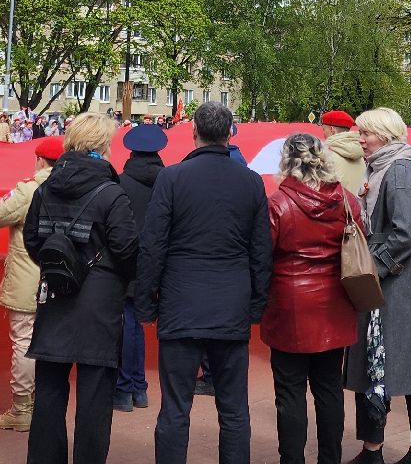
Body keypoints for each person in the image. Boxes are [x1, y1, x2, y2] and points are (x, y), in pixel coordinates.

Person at [134, 102, 270, 464]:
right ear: (229, 134)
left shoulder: (173, 178)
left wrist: (146, 304)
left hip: (180, 306)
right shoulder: (251, 181)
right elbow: (261, 250)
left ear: (194, 133)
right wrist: (257, 303)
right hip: (231, 306)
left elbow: (153, 246)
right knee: (234, 408)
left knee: (175, 408)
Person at [22, 112, 140, 464]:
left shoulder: (44, 188)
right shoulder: (111, 193)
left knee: (48, 394)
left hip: (56, 295)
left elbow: (33, 239)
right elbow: (127, 250)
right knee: (95, 398)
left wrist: (57, 266)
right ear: (103, 146)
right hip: (99, 304)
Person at [344, 108, 411, 464]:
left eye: (366, 133)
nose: (361, 139)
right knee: (404, 367)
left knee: (385, 363)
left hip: (395, 283)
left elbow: (405, 234)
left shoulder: (396, 170)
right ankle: (399, 450)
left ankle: (391, 451)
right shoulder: (391, 165)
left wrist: (370, 270)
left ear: (384, 134)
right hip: (400, 281)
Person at [262, 132, 363, 464]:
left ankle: (292, 459)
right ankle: (329, 459)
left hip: (290, 305)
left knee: (290, 393)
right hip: (335, 304)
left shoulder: (279, 203)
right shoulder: (347, 200)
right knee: (329, 389)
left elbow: (263, 255)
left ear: (287, 161)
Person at [0, 136, 61, 433]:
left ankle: (22, 408)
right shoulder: (72, 185)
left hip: (29, 278)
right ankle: (45, 404)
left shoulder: (28, 189)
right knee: (52, 342)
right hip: (63, 278)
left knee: (25, 341)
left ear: (40, 160)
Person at [115, 122, 166, 411]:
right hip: (158, 261)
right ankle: (140, 388)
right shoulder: (169, 180)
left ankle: (126, 389)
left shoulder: (120, 182)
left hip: (127, 261)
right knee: (142, 325)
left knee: (128, 323)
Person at [321, 110, 367, 195]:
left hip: (338, 206)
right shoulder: (361, 154)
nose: (323, 133)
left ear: (332, 130)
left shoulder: (327, 155)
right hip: (359, 206)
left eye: (324, 129)